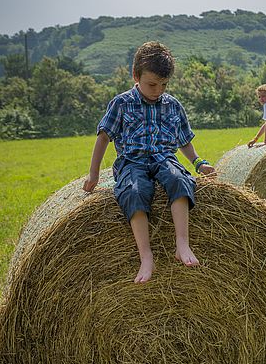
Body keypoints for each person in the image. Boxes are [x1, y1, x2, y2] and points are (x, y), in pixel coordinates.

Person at [83, 41, 215, 284]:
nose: (158, 90)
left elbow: (184, 140)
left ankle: (182, 244)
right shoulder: (121, 103)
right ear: (136, 76)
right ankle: (146, 256)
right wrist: (93, 175)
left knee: (179, 180)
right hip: (131, 161)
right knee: (133, 191)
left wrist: (198, 162)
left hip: (164, 157)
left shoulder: (173, 105)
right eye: (152, 84)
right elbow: (103, 138)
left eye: (164, 85)